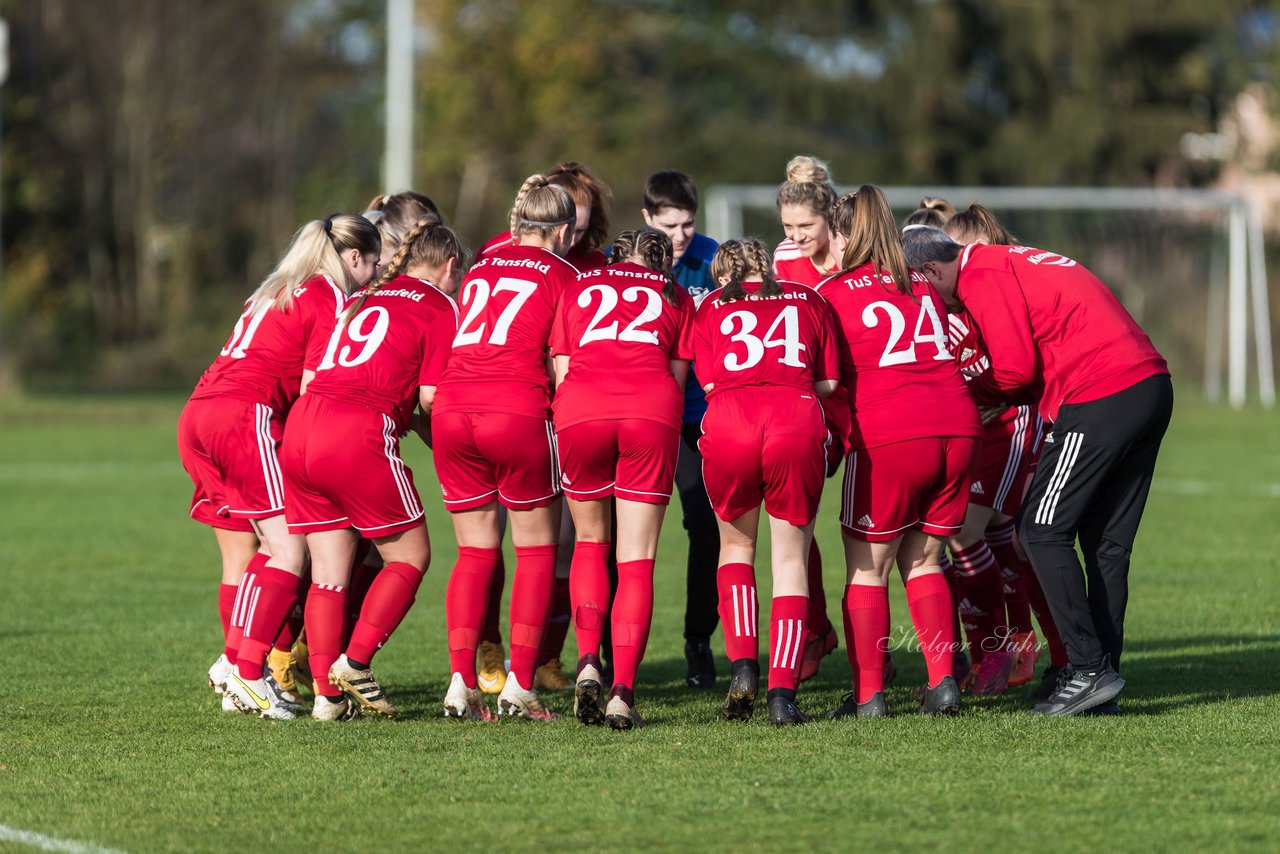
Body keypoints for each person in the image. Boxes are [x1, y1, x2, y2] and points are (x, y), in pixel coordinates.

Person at [901, 225, 1173, 717]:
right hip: (1149, 384)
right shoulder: (1006, 260)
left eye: (921, 287)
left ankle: (1087, 669)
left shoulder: (982, 276)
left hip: (1100, 391)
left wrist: (970, 396)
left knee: (1040, 530)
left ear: (933, 270)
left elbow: (1016, 371)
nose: (928, 303)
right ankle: (1101, 677)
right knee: (1104, 545)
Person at [178, 213, 383, 721]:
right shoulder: (329, 296)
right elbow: (315, 387)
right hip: (244, 416)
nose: (376, 274)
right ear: (353, 257)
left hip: (199, 412)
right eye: (373, 262)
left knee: (265, 548)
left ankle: (235, 664)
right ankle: (248, 673)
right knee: (289, 549)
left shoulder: (276, 288)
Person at [279, 217, 462, 721]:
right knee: (410, 557)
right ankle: (356, 663)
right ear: (449, 267)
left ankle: (326, 697)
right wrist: (448, 444)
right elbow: (431, 397)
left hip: (303, 425)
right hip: (357, 431)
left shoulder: (364, 295)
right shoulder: (442, 305)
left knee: (329, 574)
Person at [816, 187, 982, 719]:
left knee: (868, 569)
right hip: (957, 427)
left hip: (891, 431)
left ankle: (869, 694)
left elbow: (828, 380)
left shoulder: (834, 291)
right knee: (927, 559)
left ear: (845, 236)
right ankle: (943, 683)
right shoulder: (920, 282)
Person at [434, 173, 579, 721]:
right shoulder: (564, 274)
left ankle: (460, 683)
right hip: (515, 408)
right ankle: (519, 683)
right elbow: (559, 361)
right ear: (562, 230)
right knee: (538, 551)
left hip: (454, 409)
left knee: (474, 553)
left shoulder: (480, 268)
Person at [474, 162, 614, 694]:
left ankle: (550, 656)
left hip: (541, 414)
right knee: (495, 542)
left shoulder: (593, 267)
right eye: (567, 223)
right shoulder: (502, 251)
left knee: (561, 543)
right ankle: (489, 645)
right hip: (519, 407)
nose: (572, 233)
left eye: (581, 224)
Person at [552, 227, 696, 729]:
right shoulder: (674, 295)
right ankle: (621, 693)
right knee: (637, 561)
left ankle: (588, 660)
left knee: (590, 544)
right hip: (648, 411)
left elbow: (562, 367)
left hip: (580, 409)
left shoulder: (579, 287)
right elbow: (676, 381)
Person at [693, 238, 840, 726]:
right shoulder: (809, 298)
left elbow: (710, 383)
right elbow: (830, 384)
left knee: (735, 549)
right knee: (791, 559)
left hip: (732, 418)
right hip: (794, 418)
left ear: (723, 275)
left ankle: (742, 667)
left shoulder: (712, 303)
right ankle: (783, 692)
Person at [940, 204, 1068, 698]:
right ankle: (1017, 645)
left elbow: (1014, 368)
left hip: (1011, 425)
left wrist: (988, 395)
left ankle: (1001, 651)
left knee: (970, 531)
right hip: (977, 425)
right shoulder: (952, 303)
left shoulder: (996, 291)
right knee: (1005, 540)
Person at [640, 170, 721, 689]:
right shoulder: (621, 261)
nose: (680, 235)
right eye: (669, 225)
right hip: (643, 413)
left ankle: (699, 641)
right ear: (647, 219)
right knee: (617, 536)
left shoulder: (713, 258)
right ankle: (601, 652)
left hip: (695, 415)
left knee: (706, 528)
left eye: (688, 223)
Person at [770, 155, 843, 680]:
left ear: (830, 217)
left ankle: (929, 647)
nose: (796, 238)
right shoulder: (783, 258)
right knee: (800, 521)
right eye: (788, 228)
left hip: (868, 397)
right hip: (816, 404)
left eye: (805, 227)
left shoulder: (858, 251)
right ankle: (815, 625)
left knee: (887, 530)